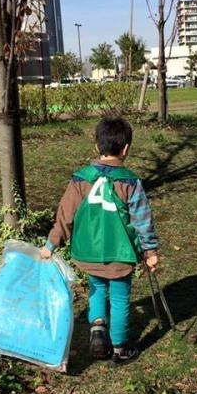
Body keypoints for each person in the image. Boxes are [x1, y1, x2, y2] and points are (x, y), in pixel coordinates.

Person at [41, 116, 159, 365]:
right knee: (118, 298)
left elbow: (65, 213)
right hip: (121, 253)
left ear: (97, 146)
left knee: (96, 290)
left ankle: (97, 330)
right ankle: (119, 348)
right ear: (126, 148)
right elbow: (142, 219)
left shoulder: (81, 178)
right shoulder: (130, 182)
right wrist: (150, 250)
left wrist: (51, 244)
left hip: (89, 252)